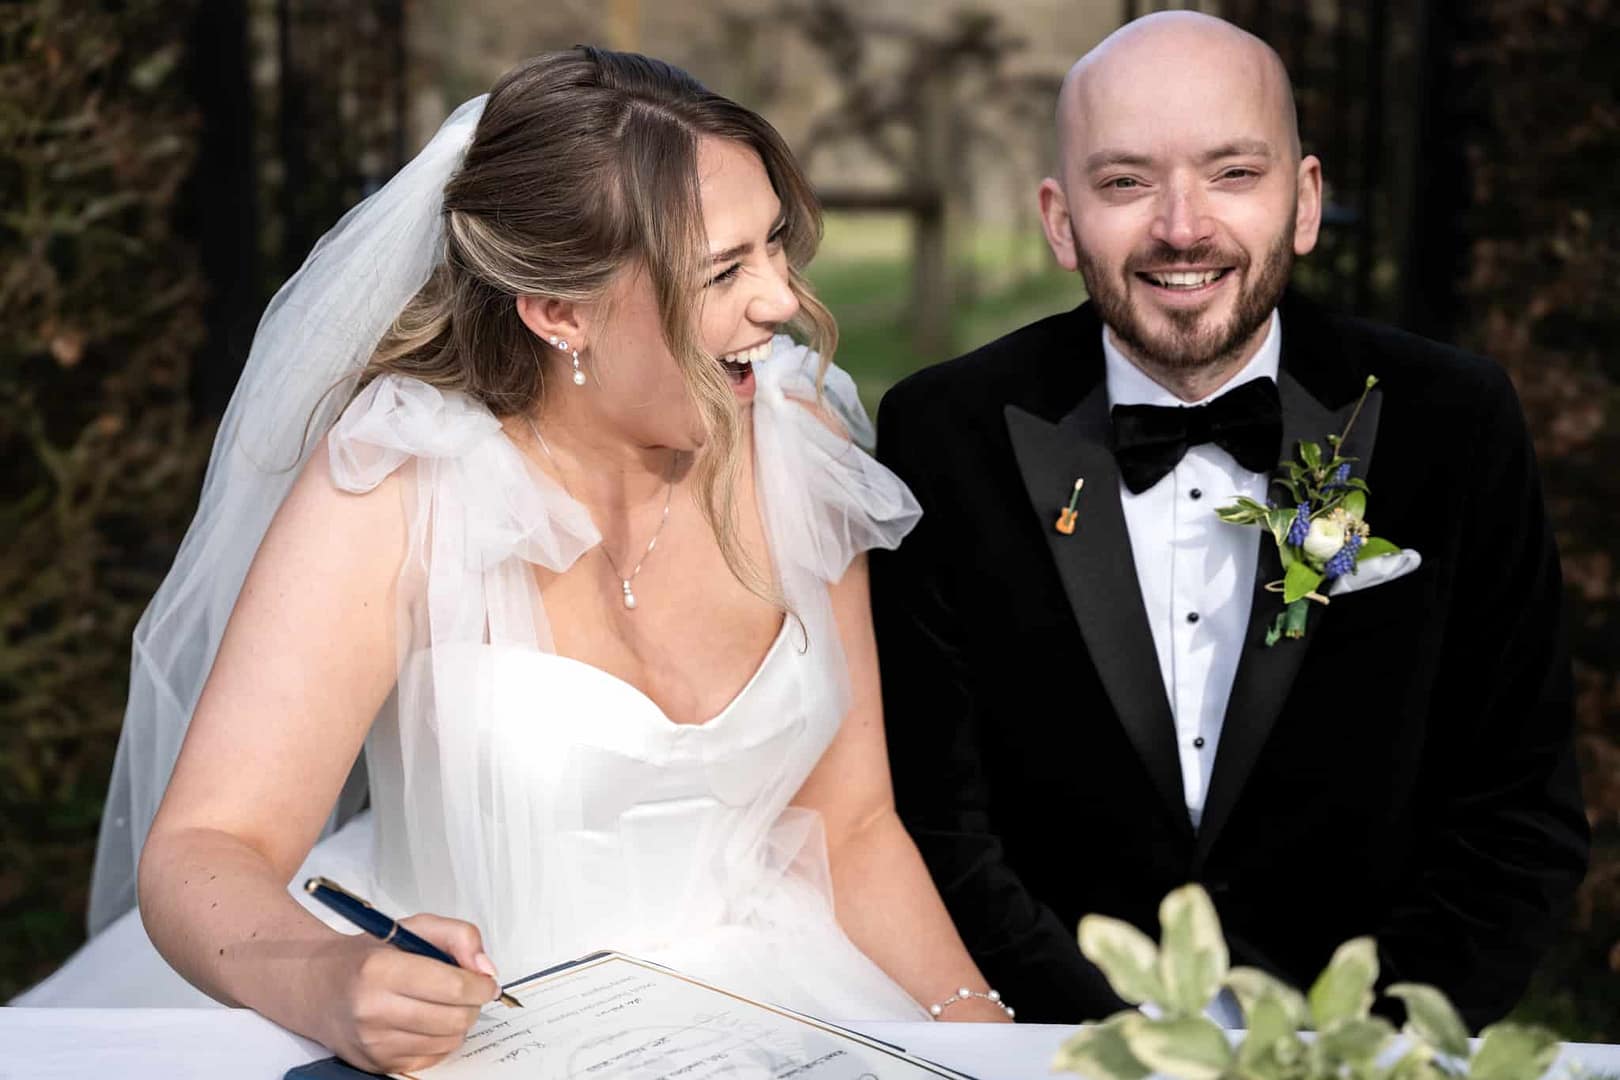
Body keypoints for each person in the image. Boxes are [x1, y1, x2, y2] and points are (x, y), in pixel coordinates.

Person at [17, 48, 1012, 1073]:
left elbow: (852, 828)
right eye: (724, 271)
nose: (782, 302)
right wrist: (328, 978)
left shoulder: (802, 446)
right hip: (466, 1030)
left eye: (774, 249)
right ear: (559, 312)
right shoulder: (396, 483)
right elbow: (204, 848)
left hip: (778, 1006)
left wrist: (982, 1036)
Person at [870, 11, 1589, 1029]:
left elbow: (1517, 813)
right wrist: (1107, 1051)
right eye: (1124, 182)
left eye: (1232, 174)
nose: (1181, 225)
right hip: (1054, 1045)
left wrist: (1358, 1046)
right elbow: (936, 817)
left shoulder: (1453, 423)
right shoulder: (944, 432)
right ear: (1060, 217)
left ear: (1303, 201)